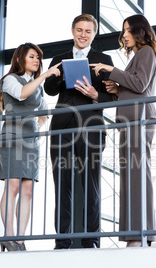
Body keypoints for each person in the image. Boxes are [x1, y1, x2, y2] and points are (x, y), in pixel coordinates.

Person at [44, 14, 116, 249]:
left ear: (94, 34)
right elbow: (50, 89)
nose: (83, 35)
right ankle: (62, 240)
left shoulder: (103, 59)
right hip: (62, 126)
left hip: (91, 127)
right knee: (62, 183)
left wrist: (96, 95)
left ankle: (91, 240)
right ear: (72, 31)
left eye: (88, 31)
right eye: (79, 30)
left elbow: (113, 96)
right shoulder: (59, 59)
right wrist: (60, 74)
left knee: (91, 183)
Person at [90, 14, 156, 247]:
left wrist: (112, 70)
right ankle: (136, 235)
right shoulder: (140, 55)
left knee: (138, 177)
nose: (124, 35)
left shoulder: (146, 52)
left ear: (140, 31)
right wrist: (117, 88)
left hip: (139, 121)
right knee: (131, 179)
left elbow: (140, 84)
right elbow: (134, 88)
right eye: (124, 31)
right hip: (130, 121)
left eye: (129, 30)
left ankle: (140, 236)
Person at [0, 42, 61, 251]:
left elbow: (44, 113)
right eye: (32, 57)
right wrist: (43, 76)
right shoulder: (9, 80)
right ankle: (8, 236)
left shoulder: (37, 86)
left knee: (27, 191)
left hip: (30, 141)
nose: (37, 61)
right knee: (13, 186)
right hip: (13, 138)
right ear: (20, 59)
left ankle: (20, 240)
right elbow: (22, 93)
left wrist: (34, 129)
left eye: (38, 58)